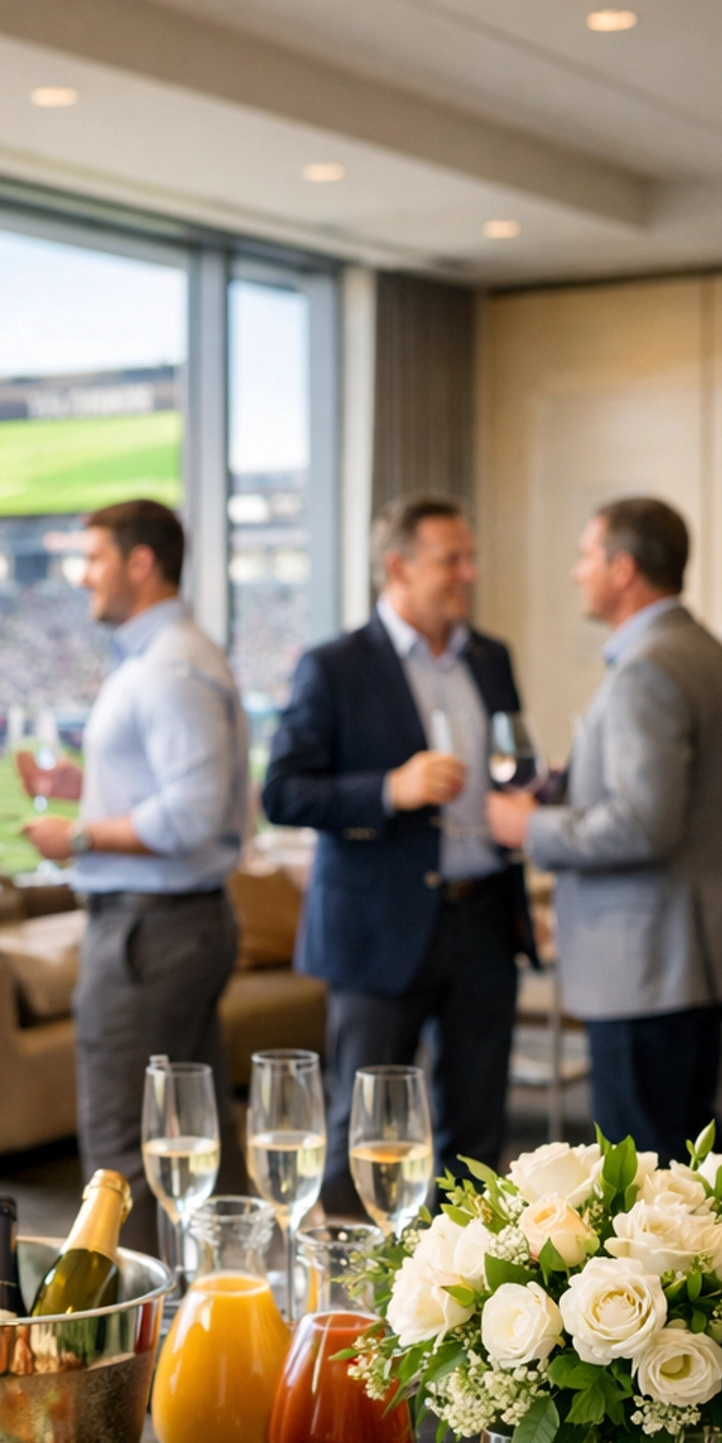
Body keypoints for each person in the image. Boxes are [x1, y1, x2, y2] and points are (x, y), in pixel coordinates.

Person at [487, 497, 722, 1163]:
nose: (575, 572)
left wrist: (532, 826)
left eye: (586, 555)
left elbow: (645, 824)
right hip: (700, 960)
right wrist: (571, 786)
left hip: (648, 965)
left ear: (623, 569)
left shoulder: (647, 668)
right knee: (691, 1165)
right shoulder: (708, 652)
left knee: (642, 1176)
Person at [263, 494, 534, 1210]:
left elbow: (517, 762)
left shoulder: (491, 656)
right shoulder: (336, 665)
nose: (469, 573)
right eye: (452, 559)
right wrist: (391, 788)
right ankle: (350, 1314)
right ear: (398, 567)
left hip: (483, 921)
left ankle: (463, 1305)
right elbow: (283, 793)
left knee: (477, 1136)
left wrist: (539, 789)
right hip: (376, 929)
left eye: (470, 558)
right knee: (367, 1138)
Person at [19, 499, 249, 1253]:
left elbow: (191, 814)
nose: (82, 575)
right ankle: (205, 1339)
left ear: (140, 563)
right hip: (167, 923)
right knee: (191, 1140)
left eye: (94, 558)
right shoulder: (161, 657)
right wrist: (83, 787)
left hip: (152, 929)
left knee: (122, 1150)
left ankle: (132, 1357)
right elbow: (168, 790)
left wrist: (78, 833)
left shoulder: (171, 665)